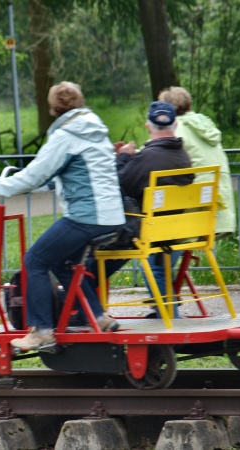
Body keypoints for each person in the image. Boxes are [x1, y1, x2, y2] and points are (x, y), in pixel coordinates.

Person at [0, 81, 125, 350]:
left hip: (87, 217)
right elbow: (59, 177)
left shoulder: (65, 135)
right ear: (80, 101)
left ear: (54, 108)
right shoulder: (96, 130)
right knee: (61, 261)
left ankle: (42, 330)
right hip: (111, 215)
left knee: (34, 260)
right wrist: (17, 184)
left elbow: (35, 174)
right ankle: (99, 317)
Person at [88, 101, 194, 318]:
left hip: (146, 232)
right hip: (172, 231)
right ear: (174, 125)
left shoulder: (147, 158)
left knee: (95, 250)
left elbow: (118, 184)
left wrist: (124, 157)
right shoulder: (183, 157)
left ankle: (86, 307)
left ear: (148, 126)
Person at [157, 86, 236, 238]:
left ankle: (157, 263)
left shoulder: (175, 129)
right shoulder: (204, 126)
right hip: (218, 211)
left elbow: (154, 154)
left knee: (156, 235)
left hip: (194, 213)